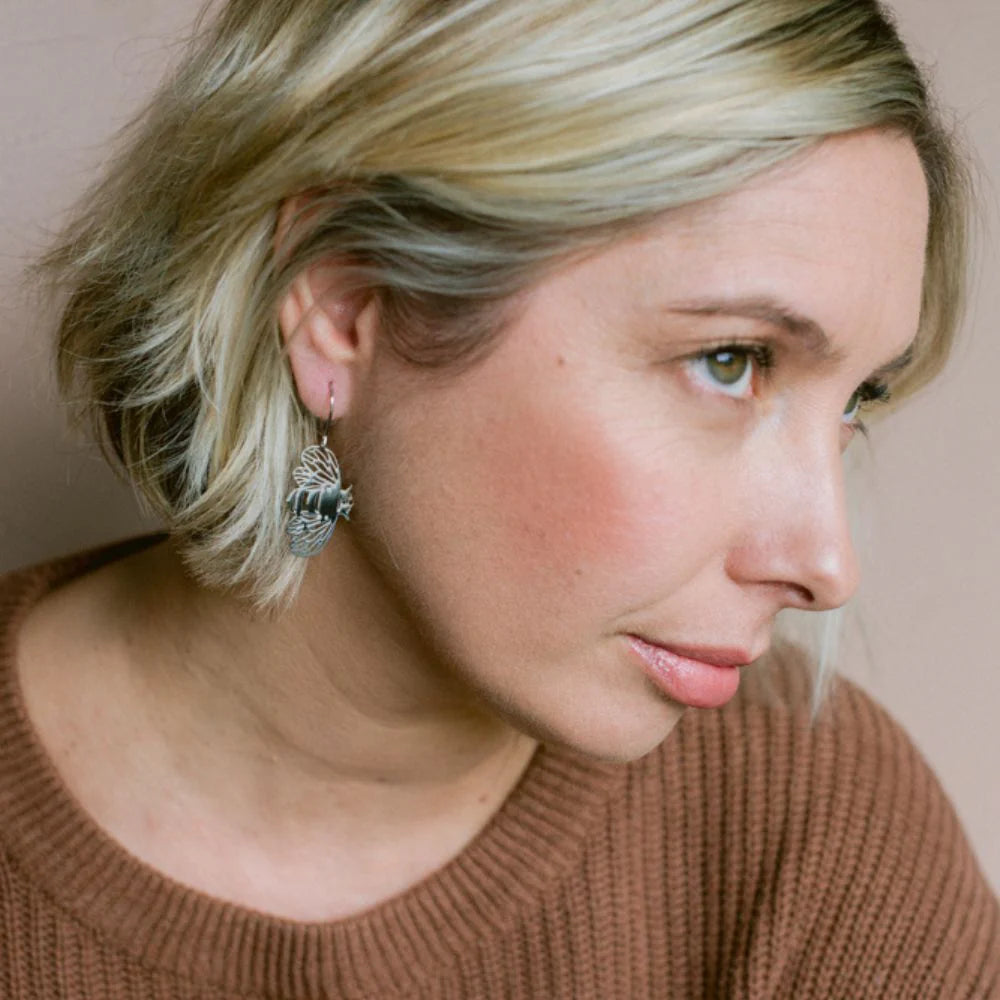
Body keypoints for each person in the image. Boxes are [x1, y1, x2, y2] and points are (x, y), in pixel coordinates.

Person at [2, 0, 998, 996]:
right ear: (344, 302)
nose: (827, 565)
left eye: (855, 400)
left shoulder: (817, 830)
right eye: (729, 361)